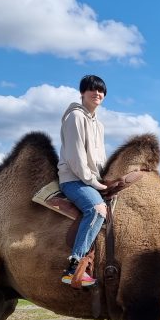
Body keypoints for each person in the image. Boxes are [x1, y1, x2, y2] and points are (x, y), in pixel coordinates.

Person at [57, 74, 109, 287]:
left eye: (101, 90)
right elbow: (75, 156)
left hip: (92, 178)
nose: (97, 93)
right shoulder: (75, 117)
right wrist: (93, 182)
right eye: (92, 89)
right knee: (96, 209)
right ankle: (74, 266)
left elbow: (101, 158)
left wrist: (106, 178)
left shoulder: (100, 125)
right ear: (82, 93)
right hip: (73, 179)